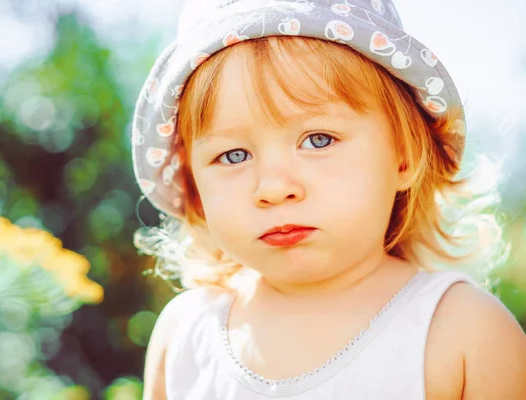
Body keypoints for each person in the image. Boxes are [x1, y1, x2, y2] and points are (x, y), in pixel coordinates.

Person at [130, 0, 526, 398]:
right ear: (196, 187)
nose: (272, 188)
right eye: (233, 155)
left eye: (318, 140)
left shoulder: (462, 333)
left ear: (403, 155)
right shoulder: (185, 335)